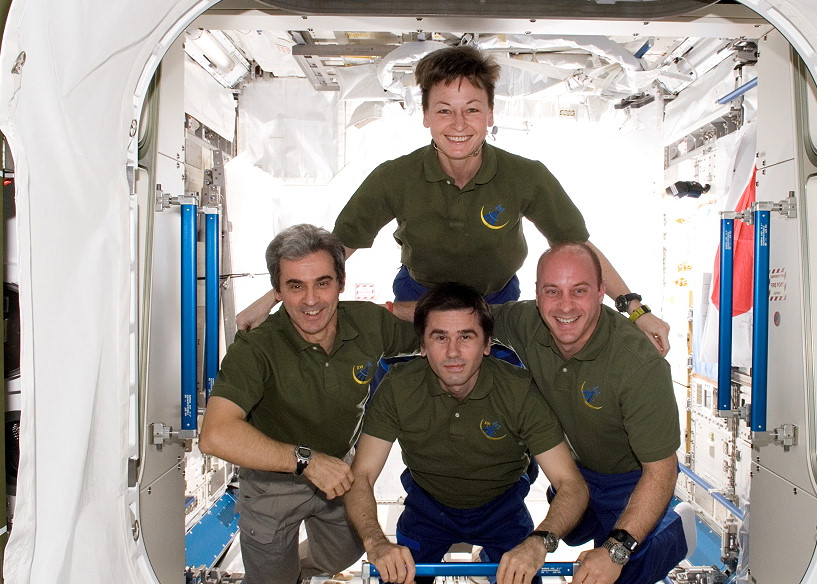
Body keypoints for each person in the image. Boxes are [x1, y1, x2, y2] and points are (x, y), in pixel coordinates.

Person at [235, 45, 670, 355]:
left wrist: (636, 310)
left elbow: (580, 251)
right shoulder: (394, 177)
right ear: (425, 115)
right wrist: (273, 299)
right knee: (402, 394)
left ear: (490, 114)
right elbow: (331, 254)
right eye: (444, 109)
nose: (458, 124)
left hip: (498, 300)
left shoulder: (526, 176)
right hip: (418, 297)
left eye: (472, 109)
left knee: (509, 400)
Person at [199, 224, 419, 584]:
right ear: (278, 291)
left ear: (341, 283)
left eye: (322, 283)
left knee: (342, 555)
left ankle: (299, 573)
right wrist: (308, 461)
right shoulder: (256, 348)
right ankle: (282, 580)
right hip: (272, 480)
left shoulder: (369, 322)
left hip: (338, 467)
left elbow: (442, 324)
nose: (311, 300)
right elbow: (215, 435)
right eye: (295, 286)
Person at [343, 283, 588, 584]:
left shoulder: (519, 391)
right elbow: (361, 476)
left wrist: (539, 543)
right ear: (422, 346)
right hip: (427, 506)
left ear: (487, 344)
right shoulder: (398, 387)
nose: (453, 352)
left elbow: (571, 484)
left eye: (466, 337)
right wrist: (376, 543)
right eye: (440, 337)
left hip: (503, 507)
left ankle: (492, 558)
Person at [490, 242, 687, 584]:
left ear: (600, 293)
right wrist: (386, 313)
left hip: (630, 478)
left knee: (624, 577)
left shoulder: (639, 364)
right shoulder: (525, 321)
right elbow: (459, 317)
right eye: (552, 291)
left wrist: (616, 550)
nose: (565, 306)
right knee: (572, 528)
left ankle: (673, 529)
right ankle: (590, 522)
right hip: (577, 469)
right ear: (537, 295)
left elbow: (661, 471)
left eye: (579, 291)